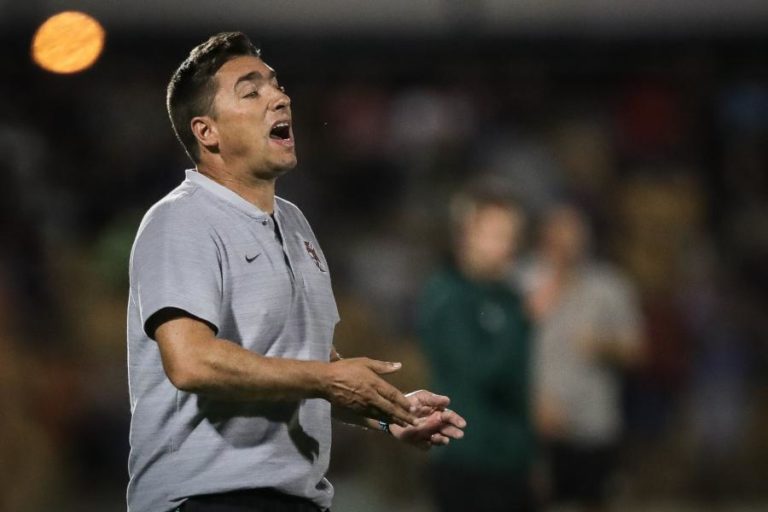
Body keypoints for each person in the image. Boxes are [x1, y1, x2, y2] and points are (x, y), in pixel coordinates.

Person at [126, 32, 466, 512]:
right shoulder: (180, 219)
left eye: (275, 85)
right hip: (205, 499)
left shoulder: (294, 222)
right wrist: (326, 379)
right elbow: (190, 361)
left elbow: (302, 365)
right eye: (252, 91)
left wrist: (390, 413)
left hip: (296, 498)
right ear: (207, 132)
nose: (280, 97)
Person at [418, 183, 536, 512]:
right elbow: (478, 371)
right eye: (496, 233)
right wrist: (522, 323)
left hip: (513, 460)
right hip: (467, 461)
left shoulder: (509, 297)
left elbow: (521, 388)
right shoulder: (446, 295)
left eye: (511, 234)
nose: (507, 245)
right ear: (464, 234)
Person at [523, 205, 644, 512]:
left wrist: (603, 346)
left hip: (594, 422)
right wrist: (531, 401)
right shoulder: (522, 281)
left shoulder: (610, 286)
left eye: (573, 237)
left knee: (596, 500)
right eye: (558, 237)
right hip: (536, 422)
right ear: (544, 237)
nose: (566, 246)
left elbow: (637, 350)